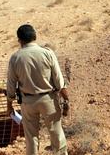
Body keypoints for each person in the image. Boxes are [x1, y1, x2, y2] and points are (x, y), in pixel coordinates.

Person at [7, 24, 69, 155]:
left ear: (20, 40)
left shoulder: (15, 58)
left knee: (31, 137)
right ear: (35, 36)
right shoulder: (47, 53)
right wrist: (66, 99)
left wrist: (9, 105)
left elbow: (11, 85)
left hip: (27, 101)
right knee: (56, 133)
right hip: (48, 99)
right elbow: (59, 80)